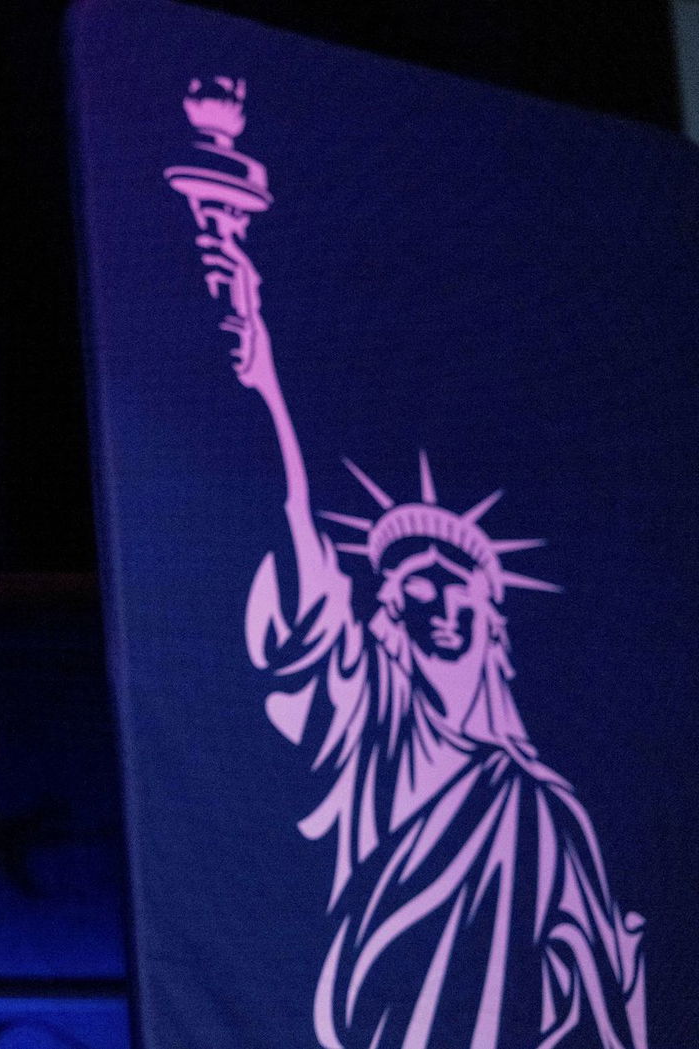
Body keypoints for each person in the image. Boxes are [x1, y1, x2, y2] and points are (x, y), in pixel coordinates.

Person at [184, 171, 645, 1047]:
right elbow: (296, 520)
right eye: (414, 591)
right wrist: (267, 380)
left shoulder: (540, 808)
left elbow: (605, 997)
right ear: (385, 617)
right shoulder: (374, 721)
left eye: (455, 586)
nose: (437, 604)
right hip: (383, 1004)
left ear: (494, 614)